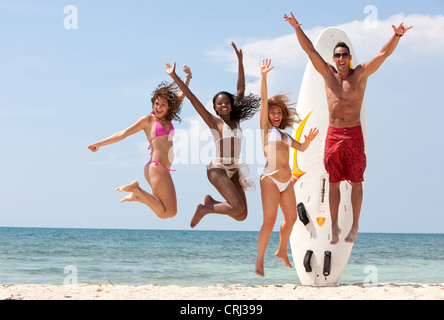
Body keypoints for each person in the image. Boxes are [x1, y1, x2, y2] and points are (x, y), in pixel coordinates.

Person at [284, 12, 412, 244]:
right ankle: (334, 227)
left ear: (349, 56)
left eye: (344, 54)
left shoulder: (360, 74)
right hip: (333, 134)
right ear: (333, 58)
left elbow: (382, 55)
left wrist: (396, 35)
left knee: (356, 181)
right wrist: (296, 28)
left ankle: (354, 226)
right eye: (337, 55)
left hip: (354, 134)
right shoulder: (327, 74)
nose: (341, 58)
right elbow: (310, 51)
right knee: (333, 181)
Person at [165, 42, 261, 228]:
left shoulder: (236, 119)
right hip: (217, 169)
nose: (224, 105)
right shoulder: (214, 122)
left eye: (226, 102)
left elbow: (240, 89)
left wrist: (240, 61)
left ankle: (211, 203)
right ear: (215, 107)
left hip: (233, 168)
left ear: (231, 105)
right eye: (219, 103)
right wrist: (175, 76)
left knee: (242, 215)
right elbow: (192, 98)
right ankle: (203, 209)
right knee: (236, 206)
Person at [87, 66, 193, 219]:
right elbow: (123, 133)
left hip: (163, 169)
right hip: (156, 168)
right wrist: (99, 143)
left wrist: (188, 76)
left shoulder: (168, 118)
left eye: (163, 104)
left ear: (169, 106)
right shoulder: (148, 120)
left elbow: (181, 95)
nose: (159, 107)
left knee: (171, 212)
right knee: (164, 214)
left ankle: (138, 196)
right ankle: (136, 190)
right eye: (156, 103)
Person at [255, 59, 318, 277]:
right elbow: (263, 100)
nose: (275, 116)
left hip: (286, 181)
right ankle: (259, 261)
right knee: (269, 220)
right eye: (272, 113)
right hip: (270, 178)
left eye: (279, 113)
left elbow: (300, 148)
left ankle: (282, 250)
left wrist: (308, 141)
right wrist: (263, 77)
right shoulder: (266, 130)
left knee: (291, 218)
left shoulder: (284, 135)